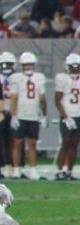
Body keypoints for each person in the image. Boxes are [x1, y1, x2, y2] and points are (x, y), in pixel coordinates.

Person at [10, 52, 47, 180]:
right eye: (26, 65)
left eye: (30, 64)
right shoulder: (16, 78)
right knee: (17, 143)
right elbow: (13, 98)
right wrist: (14, 115)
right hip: (21, 114)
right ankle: (16, 169)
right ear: (22, 65)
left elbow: (42, 98)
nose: (28, 67)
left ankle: (32, 169)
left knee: (32, 144)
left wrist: (44, 115)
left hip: (33, 115)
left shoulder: (39, 77)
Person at [54, 54, 80, 181]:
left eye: (77, 66)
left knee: (74, 144)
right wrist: (66, 117)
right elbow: (57, 100)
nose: (75, 69)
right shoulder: (62, 78)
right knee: (65, 143)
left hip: (79, 115)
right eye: (72, 66)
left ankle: (69, 171)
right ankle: (59, 170)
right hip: (67, 115)